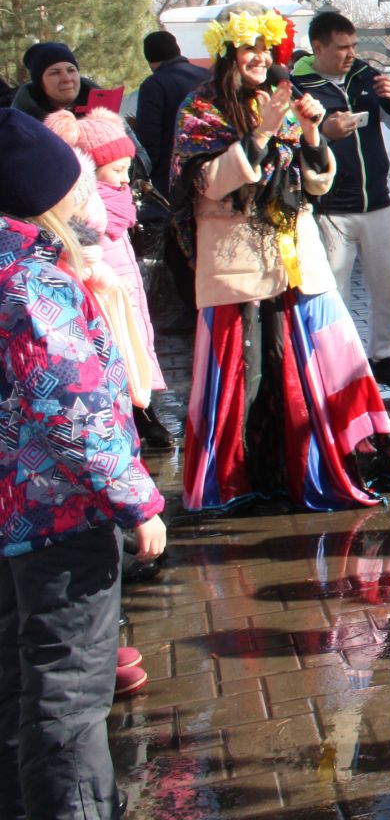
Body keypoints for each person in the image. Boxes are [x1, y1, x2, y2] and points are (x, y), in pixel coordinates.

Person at [170, 3, 390, 510]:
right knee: (248, 376)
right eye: (250, 50)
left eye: (267, 49)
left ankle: (360, 456)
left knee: (333, 362)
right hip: (238, 267)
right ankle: (242, 480)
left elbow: (314, 185)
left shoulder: (280, 99)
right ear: (227, 54)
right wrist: (260, 134)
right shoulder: (200, 109)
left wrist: (310, 134)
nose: (261, 59)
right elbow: (206, 186)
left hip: (298, 259)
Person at [0, 109, 167, 820]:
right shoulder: (32, 286)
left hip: (17, 521)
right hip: (58, 520)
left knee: (21, 684)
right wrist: (139, 500)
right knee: (69, 698)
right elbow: (75, 414)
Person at [291, 11, 390, 395]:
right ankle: (340, 367)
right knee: (335, 293)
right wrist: (323, 134)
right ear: (318, 47)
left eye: (353, 46)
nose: (351, 54)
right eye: (342, 47)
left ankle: (384, 358)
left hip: (376, 202)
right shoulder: (299, 86)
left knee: (388, 288)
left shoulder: (365, 76)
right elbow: (288, 145)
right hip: (330, 209)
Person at [47, 109, 170, 449]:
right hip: (106, 298)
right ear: (92, 168)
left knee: (136, 352)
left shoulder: (118, 202)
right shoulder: (88, 204)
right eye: (116, 171)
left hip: (124, 294)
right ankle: (135, 422)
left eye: (127, 171)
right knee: (120, 360)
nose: (124, 180)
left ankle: (143, 415)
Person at [133, 31, 206, 203]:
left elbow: (149, 135)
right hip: (215, 169)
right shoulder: (208, 76)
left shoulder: (154, 84)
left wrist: (147, 172)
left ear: (149, 60)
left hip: (174, 176)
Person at [10, 42, 105, 120]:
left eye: (71, 70)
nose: (67, 79)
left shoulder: (111, 111)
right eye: (55, 73)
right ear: (40, 82)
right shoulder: (20, 126)